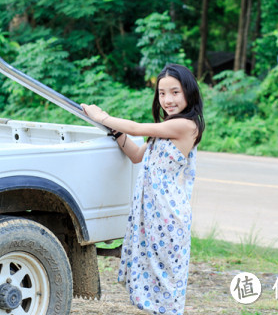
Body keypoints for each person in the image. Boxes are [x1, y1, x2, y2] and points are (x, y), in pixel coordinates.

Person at [82, 63, 205, 315]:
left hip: (167, 212)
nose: (167, 100)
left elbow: (137, 128)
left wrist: (101, 116)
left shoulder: (186, 125)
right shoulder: (166, 127)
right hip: (152, 210)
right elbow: (138, 155)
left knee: (166, 276)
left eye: (175, 92)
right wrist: (115, 132)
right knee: (153, 270)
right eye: (162, 93)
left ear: (189, 93)